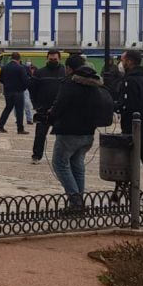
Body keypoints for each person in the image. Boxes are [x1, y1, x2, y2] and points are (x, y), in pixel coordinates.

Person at [46, 54, 105, 212]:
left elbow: (60, 105)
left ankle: (75, 200)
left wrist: (50, 117)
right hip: (88, 132)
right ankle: (79, 199)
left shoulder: (70, 83)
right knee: (77, 165)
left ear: (69, 68)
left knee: (60, 164)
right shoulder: (94, 83)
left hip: (69, 131)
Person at [118, 50, 143, 186]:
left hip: (134, 128)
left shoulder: (130, 80)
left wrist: (118, 107)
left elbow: (129, 104)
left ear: (129, 61)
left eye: (122, 60)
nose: (121, 64)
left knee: (128, 161)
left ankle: (128, 190)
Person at [28, 50, 67, 163]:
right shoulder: (39, 73)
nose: (53, 61)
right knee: (40, 135)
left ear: (59, 59)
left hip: (60, 110)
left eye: (55, 59)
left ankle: (62, 158)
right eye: (51, 59)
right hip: (43, 109)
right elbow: (32, 89)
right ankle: (36, 156)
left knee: (62, 137)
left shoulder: (65, 73)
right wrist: (36, 105)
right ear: (47, 59)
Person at [0, 52, 30, 135]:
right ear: (19, 59)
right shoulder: (20, 68)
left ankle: (0, 125)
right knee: (19, 110)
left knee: (7, 108)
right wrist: (23, 88)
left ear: (11, 58)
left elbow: (0, 79)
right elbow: (25, 81)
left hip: (8, 91)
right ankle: (20, 129)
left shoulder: (4, 67)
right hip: (18, 91)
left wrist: (7, 84)